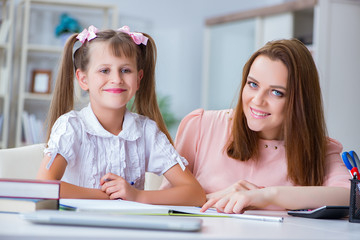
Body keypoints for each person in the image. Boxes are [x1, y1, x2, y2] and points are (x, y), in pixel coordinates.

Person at [162, 38, 350, 213]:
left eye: (276, 92)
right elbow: (164, 205)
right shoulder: (202, 126)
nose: (257, 100)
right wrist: (221, 198)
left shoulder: (321, 149)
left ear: (301, 102)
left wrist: (267, 195)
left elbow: (351, 196)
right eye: (253, 84)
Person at [37, 25, 206, 206]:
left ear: (139, 79)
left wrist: (137, 196)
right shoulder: (71, 126)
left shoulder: (147, 131)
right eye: (104, 70)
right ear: (83, 79)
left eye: (125, 70)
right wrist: (109, 196)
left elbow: (195, 194)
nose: (116, 79)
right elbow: (43, 186)